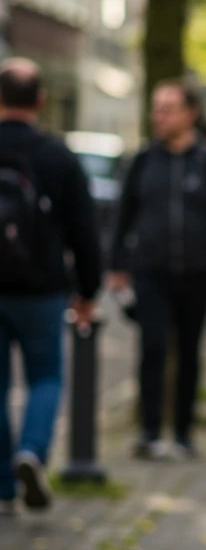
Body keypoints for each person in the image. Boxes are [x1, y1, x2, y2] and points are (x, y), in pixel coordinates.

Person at [108, 79, 206, 460]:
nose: (159, 115)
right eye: (156, 107)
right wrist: (116, 264)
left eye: (168, 108)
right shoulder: (142, 161)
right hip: (150, 271)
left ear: (190, 114)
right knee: (152, 347)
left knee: (189, 351)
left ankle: (182, 433)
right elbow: (121, 216)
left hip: (197, 273)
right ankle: (149, 433)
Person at [0, 58, 101, 512]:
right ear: (41, 100)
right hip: (42, 289)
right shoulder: (57, 156)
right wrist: (87, 291)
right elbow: (84, 230)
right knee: (45, 377)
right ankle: (32, 451)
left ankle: (3, 488)